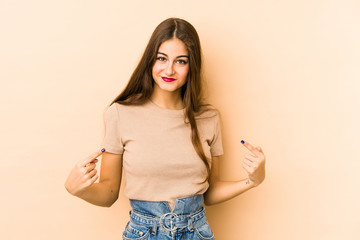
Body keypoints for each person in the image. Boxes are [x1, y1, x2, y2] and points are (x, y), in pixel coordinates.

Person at [64, 17, 266, 240]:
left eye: (181, 61)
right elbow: (109, 193)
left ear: (192, 66)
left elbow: (210, 192)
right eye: (162, 58)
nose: (169, 69)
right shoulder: (120, 114)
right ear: (151, 60)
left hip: (196, 232)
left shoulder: (209, 118)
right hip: (144, 232)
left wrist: (252, 181)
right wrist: (78, 189)